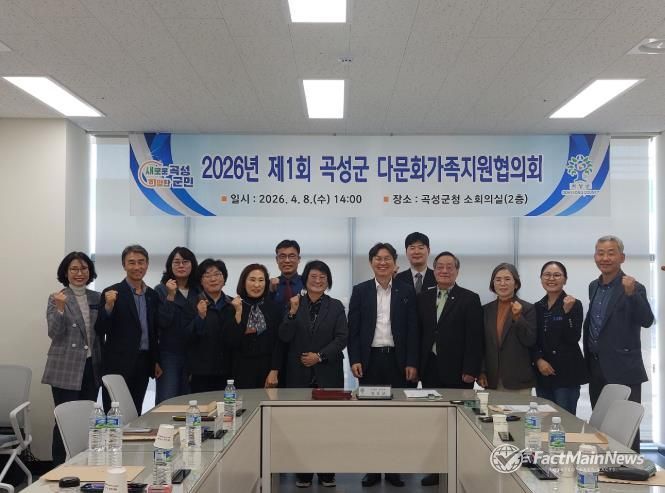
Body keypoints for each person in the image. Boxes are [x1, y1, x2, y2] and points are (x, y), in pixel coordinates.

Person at [348, 242, 418, 488]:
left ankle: (394, 469)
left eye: (387, 258)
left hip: (398, 361)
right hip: (370, 360)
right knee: (371, 416)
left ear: (394, 263)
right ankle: (372, 469)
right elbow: (353, 330)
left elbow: (413, 329)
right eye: (378, 258)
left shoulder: (406, 291)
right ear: (371, 263)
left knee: (397, 417)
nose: (382, 262)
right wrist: (355, 359)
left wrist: (412, 361)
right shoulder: (360, 291)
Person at [279, 260, 348, 489]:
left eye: (323, 277)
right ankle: (303, 472)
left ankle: (327, 472)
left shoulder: (336, 306)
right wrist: (292, 313)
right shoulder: (294, 303)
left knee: (328, 426)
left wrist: (319, 356)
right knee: (301, 426)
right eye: (313, 277)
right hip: (298, 373)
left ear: (328, 281)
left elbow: (342, 338)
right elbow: (284, 337)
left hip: (328, 372)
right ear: (305, 279)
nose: (318, 281)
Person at [417, 251, 483, 487]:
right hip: (429, 369)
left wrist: (471, 369)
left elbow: (475, 338)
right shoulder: (423, 297)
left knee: (459, 420)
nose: (444, 271)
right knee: (434, 421)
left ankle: (461, 469)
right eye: (440, 267)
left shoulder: (469, 298)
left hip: (459, 372)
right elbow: (419, 333)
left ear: (457, 271)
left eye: (449, 267)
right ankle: (436, 469)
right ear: (434, 270)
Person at [583, 235, 654, 451]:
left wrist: (632, 295)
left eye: (610, 253)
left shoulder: (634, 286)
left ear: (622, 257)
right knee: (601, 427)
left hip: (623, 369)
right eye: (600, 253)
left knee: (626, 429)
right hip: (596, 367)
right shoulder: (593, 286)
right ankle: (604, 467)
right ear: (595, 257)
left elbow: (647, 320)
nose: (605, 258)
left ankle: (631, 468)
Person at [43, 252, 101, 465]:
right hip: (65, 367)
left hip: (91, 366)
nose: (79, 273)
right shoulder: (57, 297)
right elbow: (54, 333)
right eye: (74, 269)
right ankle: (58, 467)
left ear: (89, 271)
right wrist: (60, 308)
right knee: (64, 419)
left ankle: (85, 465)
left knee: (87, 419)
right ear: (65, 272)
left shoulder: (97, 297)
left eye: (84, 268)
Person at [96, 245, 161, 413]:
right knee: (113, 413)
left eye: (141, 262)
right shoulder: (112, 293)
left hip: (143, 362)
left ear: (147, 264)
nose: (137, 267)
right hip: (117, 363)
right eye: (131, 262)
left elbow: (154, 332)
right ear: (124, 265)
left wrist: (155, 360)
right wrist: (109, 306)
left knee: (135, 411)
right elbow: (100, 328)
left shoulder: (152, 295)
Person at [533, 261, 586, 415]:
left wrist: (566, 313)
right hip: (543, 373)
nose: (551, 279)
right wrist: (538, 360)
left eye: (557, 275)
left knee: (565, 420)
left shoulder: (574, 304)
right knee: (545, 419)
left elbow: (573, 337)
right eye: (547, 275)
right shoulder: (538, 306)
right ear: (541, 278)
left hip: (566, 374)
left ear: (565, 280)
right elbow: (533, 339)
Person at [478, 263, 536, 393]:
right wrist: (481, 371)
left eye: (507, 279)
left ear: (516, 284)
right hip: (491, 380)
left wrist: (518, 317)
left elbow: (530, 340)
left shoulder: (528, 308)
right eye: (498, 280)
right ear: (493, 284)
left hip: (519, 381)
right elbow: (481, 344)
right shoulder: (485, 310)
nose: (502, 283)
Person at [154, 247, 199, 404]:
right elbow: (161, 322)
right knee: (167, 400)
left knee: (191, 402)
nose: (181, 265)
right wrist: (171, 296)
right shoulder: (161, 289)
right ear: (170, 265)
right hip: (169, 354)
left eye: (185, 261)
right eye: (177, 262)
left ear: (192, 265)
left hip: (194, 354)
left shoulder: (198, 290)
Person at [228, 264, 283, 389]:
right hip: (240, 369)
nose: (257, 285)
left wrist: (274, 370)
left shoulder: (274, 308)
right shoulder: (234, 307)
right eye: (252, 280)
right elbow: (231, 341)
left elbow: (278, 343)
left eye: (261, 280)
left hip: (268, 369)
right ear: (243, 282)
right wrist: (238, 313)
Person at [188, 258, 235, 393]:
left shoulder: (233, 305)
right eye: (207, 275)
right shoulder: (192, 304)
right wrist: (200, 317)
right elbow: (186, 336)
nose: (213, 279)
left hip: (229, 371)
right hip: (201, 371)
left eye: (217, 274)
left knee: (228, 405)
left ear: (224, 279)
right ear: (201, 281)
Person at [269, 239, 304, 314]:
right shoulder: (269, 286)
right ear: (277, 259)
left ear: (299, 259)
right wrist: (270, 292)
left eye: (291, 256)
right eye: (282, 256)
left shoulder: (307, 283)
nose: (287, 261)